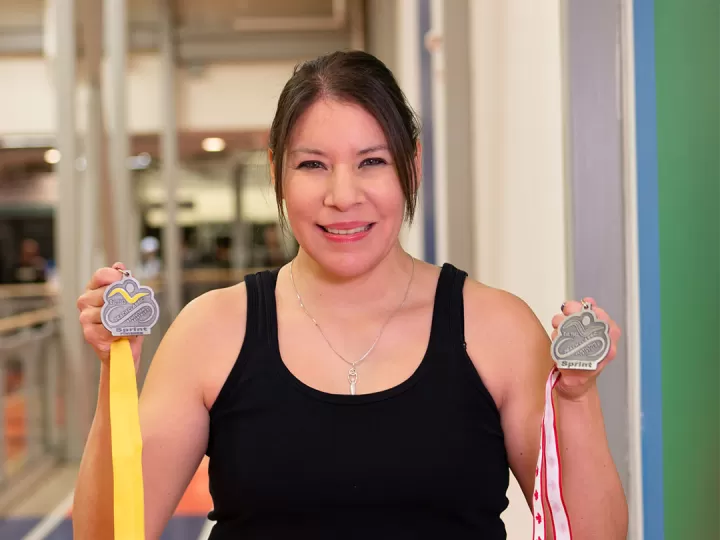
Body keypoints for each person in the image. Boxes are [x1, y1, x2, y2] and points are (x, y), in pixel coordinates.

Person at [73, 51, 627, 539]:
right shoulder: (212, 331)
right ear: (277, 170)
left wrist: (576, 400)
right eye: (313, 164)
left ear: (410, 165)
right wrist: (113, 371)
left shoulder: (496, 329)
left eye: (372, 162)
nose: (343, 196)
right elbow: (108, 536)